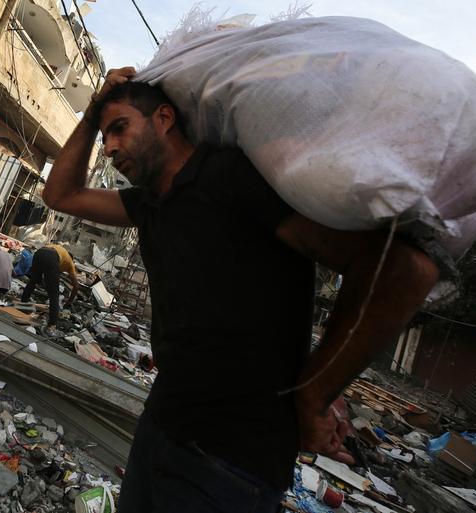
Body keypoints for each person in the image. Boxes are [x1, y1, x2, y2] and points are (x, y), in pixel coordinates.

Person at [41, 67, 440, 512]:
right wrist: (93, 109)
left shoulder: (230, 177)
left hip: (230, 464)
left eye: (119, 128)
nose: (111, 148)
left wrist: (315, 394)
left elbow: (402, 270)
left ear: (164, 119)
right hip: (161, 428)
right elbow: (59, 194)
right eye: (104, 137)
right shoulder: (149, 205)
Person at [20, 244, 79, 334]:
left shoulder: (61, 252)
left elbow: (46, 273)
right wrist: (69, 302)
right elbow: (76, 286)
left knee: (33, 281)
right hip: (51, 256)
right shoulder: (70, 264)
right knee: (54, 294)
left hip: (39, 253)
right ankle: (52, 325)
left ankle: (23, 304)